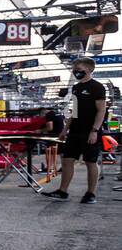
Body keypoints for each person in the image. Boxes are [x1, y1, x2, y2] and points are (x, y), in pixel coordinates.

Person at [42, 57, 108, 204]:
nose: (76, 71)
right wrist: (65, 129)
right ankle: (62, 191)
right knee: (67, 160)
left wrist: (94, 130)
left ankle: (90, 194)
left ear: (89, 70)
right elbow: (75, 111)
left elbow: (101, 110)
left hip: (90, 130)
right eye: (75, 69)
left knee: (90, 161)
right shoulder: (76, 88)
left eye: (79, 69)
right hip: (75, 131)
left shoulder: (97, 87)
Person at [40, 105, 65, 178]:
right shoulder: (58, 112)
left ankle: (49, 168)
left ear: (44, 110)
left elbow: (50, 128)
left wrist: (40, 130)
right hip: (61, 134)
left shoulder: (49, 114)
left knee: (50, 152)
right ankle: (63, 167)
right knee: (61, 152)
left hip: (53, 136)